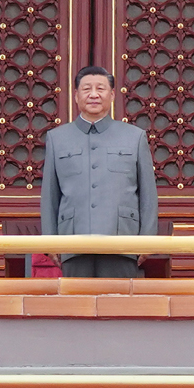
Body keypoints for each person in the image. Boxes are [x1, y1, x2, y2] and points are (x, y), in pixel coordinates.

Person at [39, 65, 158, 278]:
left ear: (112, 95)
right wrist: (50, 241)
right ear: (76, 96)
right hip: (72, 241)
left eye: (100, 88)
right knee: (77, 307)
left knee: (118, 307)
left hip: (122, 240)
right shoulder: (57, 138)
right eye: (86, 89)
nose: (94, 94)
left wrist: (147, 239)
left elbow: (148, 193)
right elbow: (50, 195)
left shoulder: (134, 136)